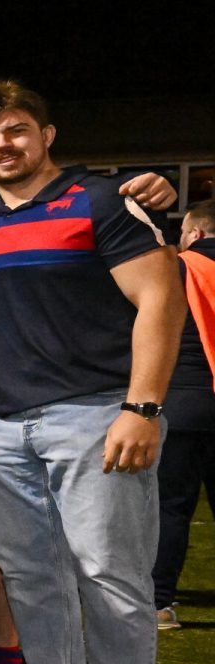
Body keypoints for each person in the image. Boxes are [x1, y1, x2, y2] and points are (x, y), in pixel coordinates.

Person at [0, 81, 181, 664]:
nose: (4, 145)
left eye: (16, 130)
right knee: (31, 571)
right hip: (0, 424)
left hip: (92, 415)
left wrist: (141, 407)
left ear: (47, 136)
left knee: (110, 571)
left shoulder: (98, 202)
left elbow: (161, 296)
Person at [157, 201, 215, 630]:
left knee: (170, 507)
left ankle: (159, 602)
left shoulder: (177, 267)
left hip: (182, 401)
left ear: (195, 233)